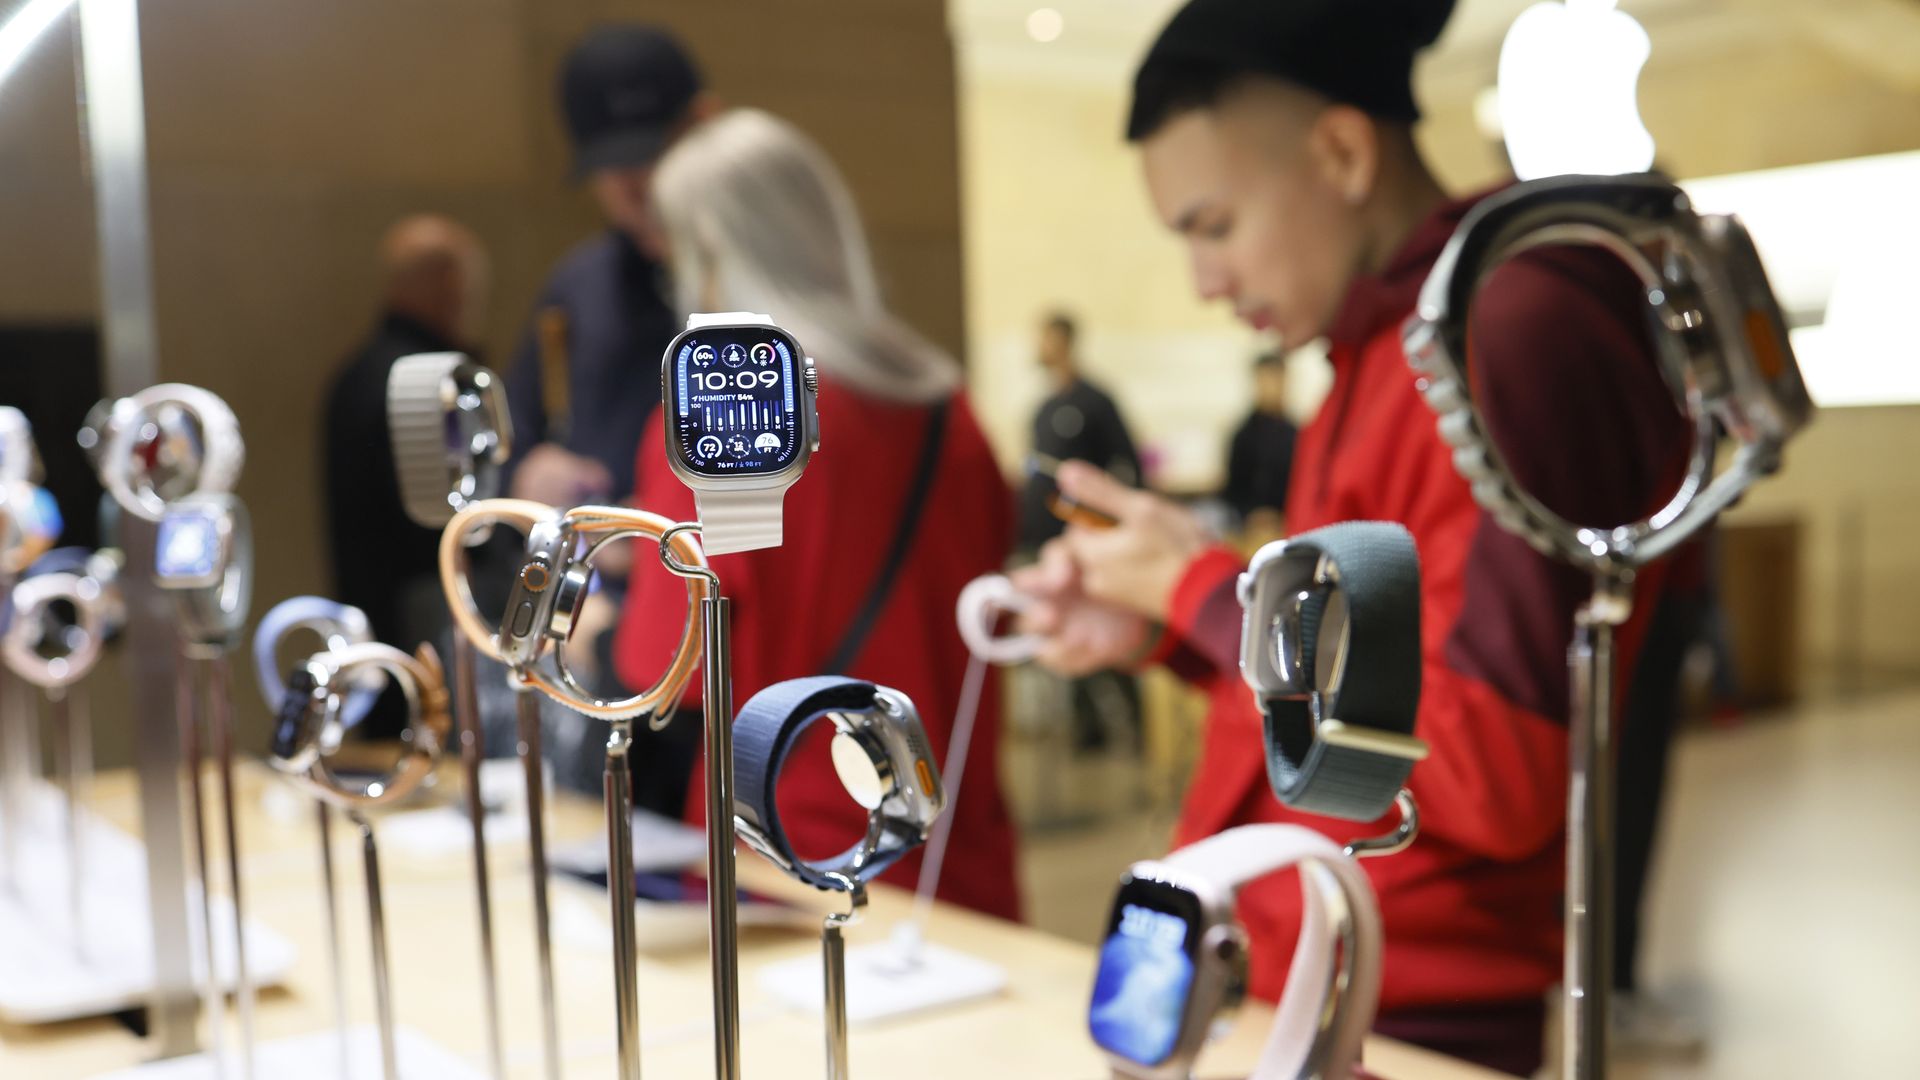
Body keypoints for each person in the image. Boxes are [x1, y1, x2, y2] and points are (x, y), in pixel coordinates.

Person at [1011, 0, 1694, 1072]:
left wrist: (1199, 589)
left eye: (1215, 226)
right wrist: (1158, 625)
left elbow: (1499, 767)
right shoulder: (1381, 344)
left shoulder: (1504, 326)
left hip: (1400, 1005)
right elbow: (1367, 679)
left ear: (1340, 151)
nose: (1204, 280)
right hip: (1300, 971)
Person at [611, 109, 1021, 920]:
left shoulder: (727, 409)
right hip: (954, 851)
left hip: (790, 853)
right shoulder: (944, 404)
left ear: (716, 251)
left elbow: (663, 667)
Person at [502, 24, 719, 510]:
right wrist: (528, 477)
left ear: (704, 124)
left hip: (728, 570)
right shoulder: (577, 286)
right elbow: (512, 446)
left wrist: (654, 527)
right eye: (609, 163)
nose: (630, 183)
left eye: (650, 154)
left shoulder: (763, 282)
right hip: (602, 578)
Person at [324, 214, 488, 648]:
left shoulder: (358, 372)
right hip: (432, 613)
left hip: (377, 605)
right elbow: (456, 515)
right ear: (445, 282)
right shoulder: (431, 381)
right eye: (466, 286)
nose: (467, 301)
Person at [1016, 311, 1142, 553]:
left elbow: (1127, 461)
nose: (1039, 347)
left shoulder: (1095, 401)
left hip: (1082, 531)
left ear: (1063, 342)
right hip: (1042, 533)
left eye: (1045, 339)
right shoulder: (1045, 406)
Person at [1221, 350, 1296, 537]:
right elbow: (1233, 491)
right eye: (1265, 380)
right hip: (1250, 529)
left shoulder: (1298, 435)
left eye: (1276, 379)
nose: (1271, 387)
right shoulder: (1243, 435)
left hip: (1288, 526)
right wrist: (1251, 515)